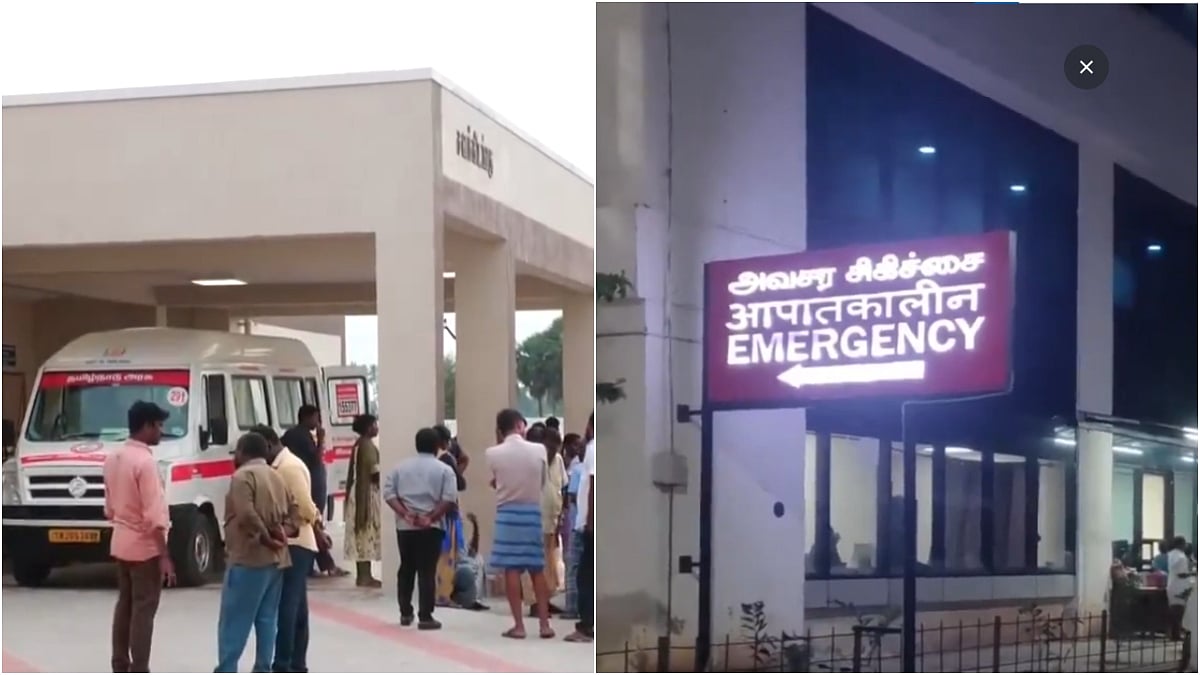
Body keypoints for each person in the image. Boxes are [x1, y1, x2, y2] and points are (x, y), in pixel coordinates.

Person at [215, 432, 297, 673]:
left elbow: (246, 514)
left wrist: (266, 537)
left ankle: (227, 669)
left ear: (242, 452)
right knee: (266, 619)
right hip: (276, 562)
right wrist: (283, 532)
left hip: (248, 558)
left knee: (234, 622)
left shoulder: (242, 477)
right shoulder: (276, 475)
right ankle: (263, 668)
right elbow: (296, 511)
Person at [104, 401, 175, 673]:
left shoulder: (114, 457)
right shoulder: (145, 463)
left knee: (125, 604)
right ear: (146, 426)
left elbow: (109, 508)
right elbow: (155, 516)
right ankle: (140, 667)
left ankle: (120, 663)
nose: (161, 431)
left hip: (120, 541)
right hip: (144, 547)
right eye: (158, 425)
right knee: (144, 610)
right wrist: (165, 556)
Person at [249, 425, 323, 674]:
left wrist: (315, 522)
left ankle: (283, 663)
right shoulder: (279, 465)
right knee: (297, 608)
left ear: (270, 444)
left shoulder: (289, 467)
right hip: (294, 542)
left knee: (287, 608)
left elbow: (304, 507)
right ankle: (297, 663)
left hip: (295, 543)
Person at [486, 408, 554, 639]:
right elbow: (542, 481)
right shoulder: (539, 449)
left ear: (500, 429)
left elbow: (499, 480)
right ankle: (545, 624)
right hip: (532, 512)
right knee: (537, 568)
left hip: (507, 514)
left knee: (511, 569)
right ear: (519, 425)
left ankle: (519, 625)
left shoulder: (493, 453)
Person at [382, 427, 459, 630]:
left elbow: (389, 494)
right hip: (432, 527)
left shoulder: (400, 468)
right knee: (427, 570)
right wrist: (431, 517)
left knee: (406, 567)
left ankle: (405, 612)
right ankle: (426, 616)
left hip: (405, 527)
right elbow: (449, 499)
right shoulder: (444, 470)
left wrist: (405, 513)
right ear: (436, 446)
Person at [281, 405, 346, 579]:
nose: (318, 422)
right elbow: (316, 459)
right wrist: (321, 440)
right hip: (309, 486)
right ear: (307, 418)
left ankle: (321, 564)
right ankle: (325, 565)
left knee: (310, 526)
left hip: (308, 484)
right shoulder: (303, 437)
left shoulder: (290, 435)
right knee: (312, 522)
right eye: (316, 418)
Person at [564, 412, 595, 643]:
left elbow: (594, 485)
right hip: (588, 521)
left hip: (589, 524)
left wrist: (590, 522)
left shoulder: (594, 449)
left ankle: (585, 626)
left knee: (585, 576)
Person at [344, 414, 383, 588]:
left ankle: (363, 575)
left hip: (357, 493)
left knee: (360, 534)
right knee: (366, 532)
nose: (377, 427)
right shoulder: (368, 446)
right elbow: (375, 473)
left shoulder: (359, 444)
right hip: (366, 495)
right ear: (368, 428)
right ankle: (365, 576)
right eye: (375, 424)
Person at [433, 424, 468, 607]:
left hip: (434, 511)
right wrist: (462, 465)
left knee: (438, 554)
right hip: (449, 513)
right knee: (448, 555)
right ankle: (444, 594)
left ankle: (439, 591)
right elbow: (460, 484)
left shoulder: (432, 460)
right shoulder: (448, 459)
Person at [537, 428, 567, 613]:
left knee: (550, 563)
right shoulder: (535, 460)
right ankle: (536, 604)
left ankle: (547, 601)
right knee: (536, 563)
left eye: (556, 448)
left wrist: (562, 513)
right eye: (550, 447)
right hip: (535, 519)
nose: (553, 452)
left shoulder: (559, 461)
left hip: (552, 519)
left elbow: (562, 487)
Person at [561, 436, 587, 621]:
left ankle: (571, 607)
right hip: (584, 523)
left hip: (578, 523)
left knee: (573, 567)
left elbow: (571, 497)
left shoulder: (578, 470)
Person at [1166, 536, 1192, 642]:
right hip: (1180, 586)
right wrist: (1192, 573)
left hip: (1172, 584)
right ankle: (1176, 634)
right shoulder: (1181, 557)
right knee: (1179, 611)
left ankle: (1172, 633)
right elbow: (1182, 574)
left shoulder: (1171, 554)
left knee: (1173, 610)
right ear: (1181, 544)